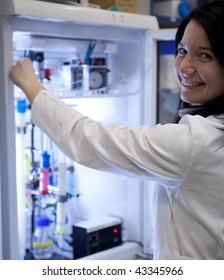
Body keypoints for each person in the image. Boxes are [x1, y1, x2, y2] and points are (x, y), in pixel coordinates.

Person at [10, 1, 224, 260]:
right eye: (181, 51)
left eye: (205, 55)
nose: (184, 66)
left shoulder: (198, 142)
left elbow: (88, 140)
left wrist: (30, 84)